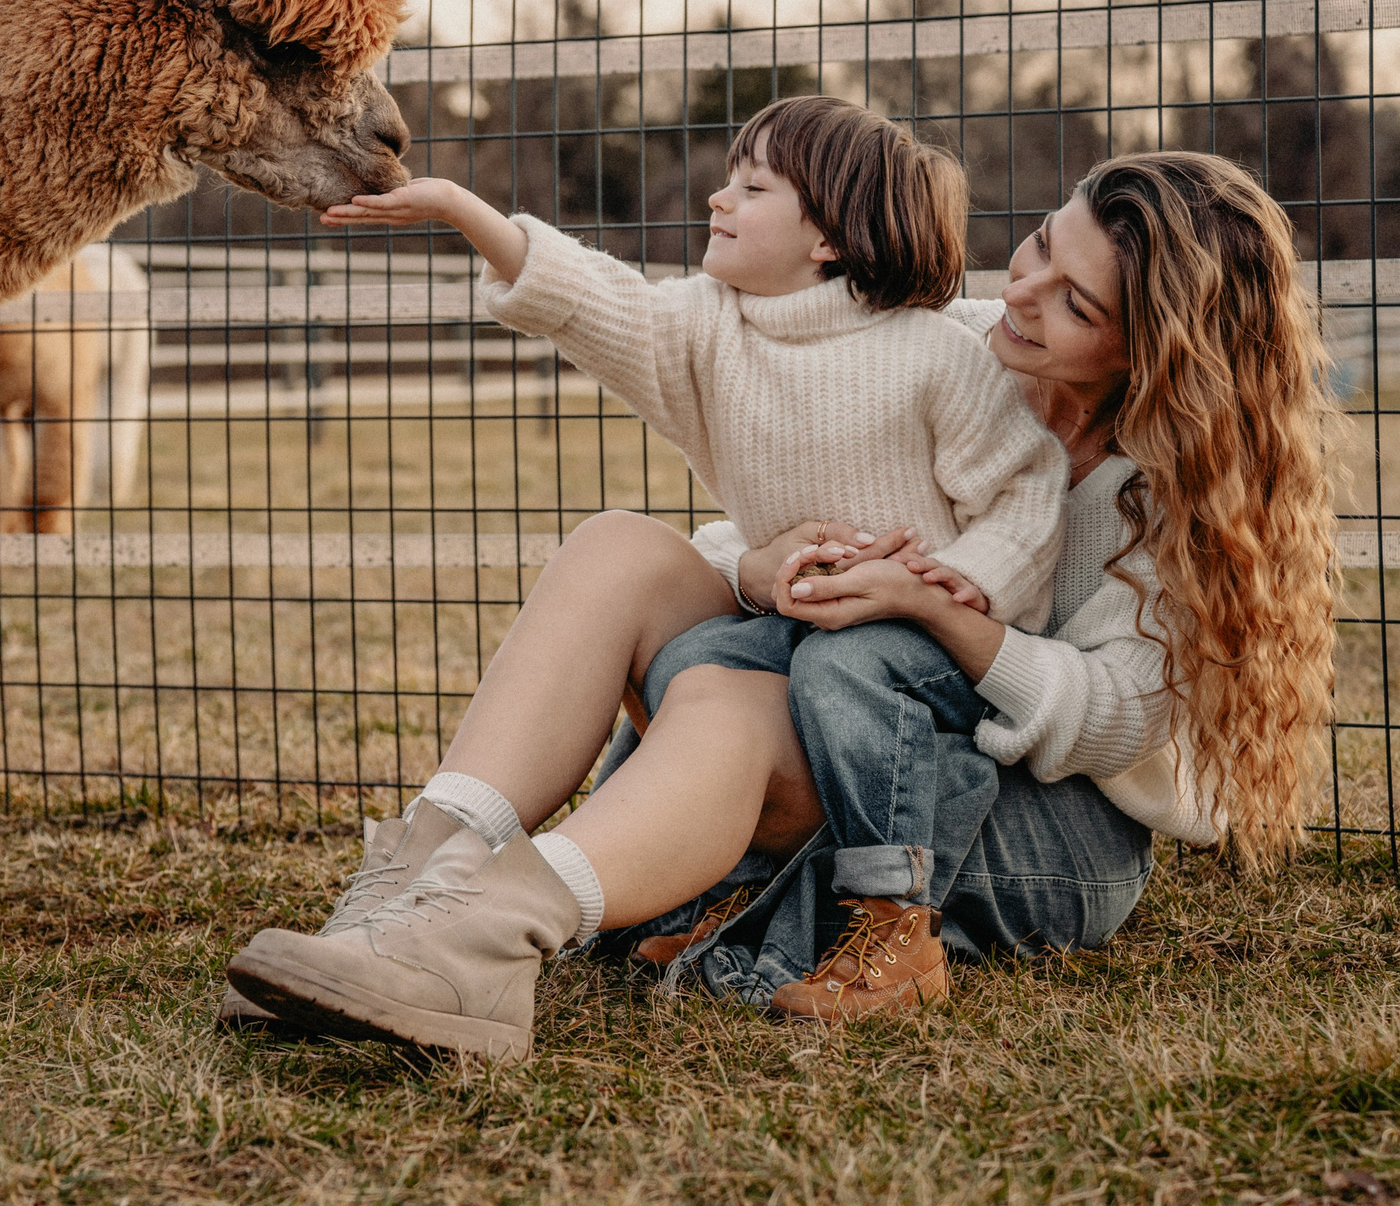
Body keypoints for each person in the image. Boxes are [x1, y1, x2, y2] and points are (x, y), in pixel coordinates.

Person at [226, 151, 1335, 1060]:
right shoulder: (960, 346)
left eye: (1075, 302)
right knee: (620, 550)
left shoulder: (1176, 492)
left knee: (745, 698)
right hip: (857, 713)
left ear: (1155, 352)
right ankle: (400, 900)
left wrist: (939, 611)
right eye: (1041, 245)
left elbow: (1116, 719)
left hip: (1042, 821)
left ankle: (483, 941)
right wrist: (762, 568)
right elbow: (815, 523)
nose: (1021, 292)